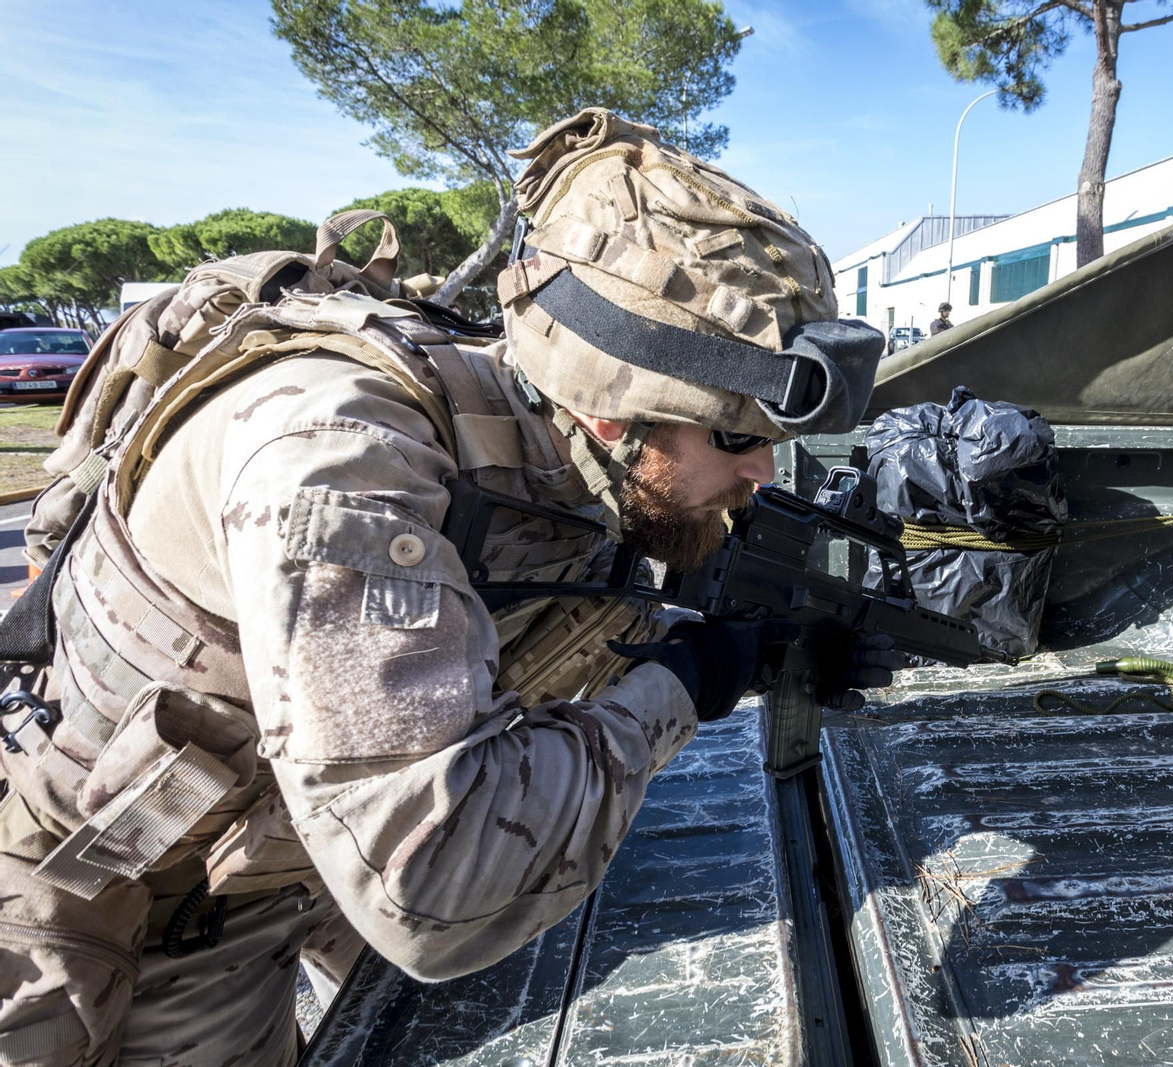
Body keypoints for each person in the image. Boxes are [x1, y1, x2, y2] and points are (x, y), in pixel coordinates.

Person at [0, 109, 891, 1067]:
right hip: (104, 889)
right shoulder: (339, 459)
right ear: (605, 412)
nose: (762, 470)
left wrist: (743, 631)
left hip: (280, 868)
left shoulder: (553, 444)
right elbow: (434, 890)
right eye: (734, 435)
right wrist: (681, 683)